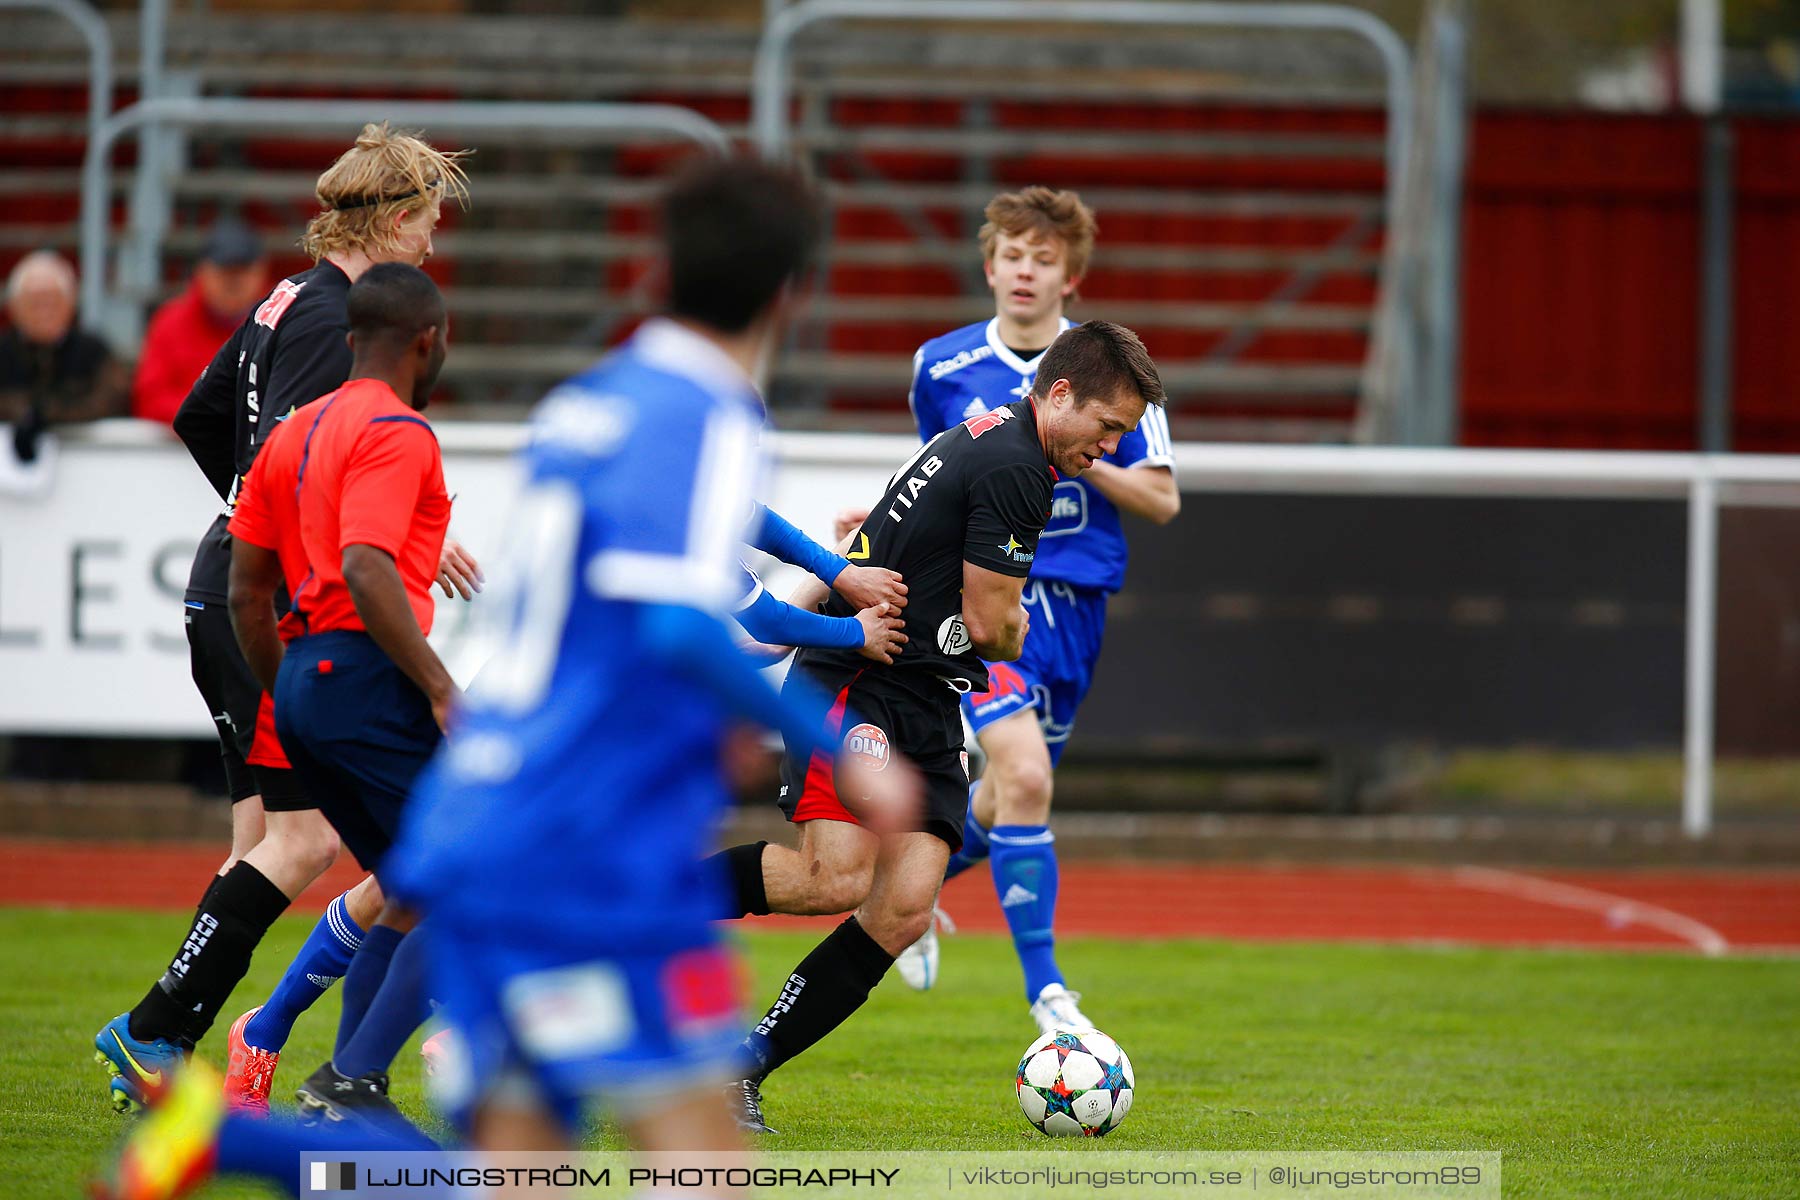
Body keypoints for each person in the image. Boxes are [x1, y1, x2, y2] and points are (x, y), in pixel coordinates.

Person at [92, 123, 475, 1117]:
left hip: (235, 574)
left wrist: (253, 510)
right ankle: (163, 1033)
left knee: (267, 841)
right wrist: (361, 533)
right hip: (274, 598)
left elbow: (201, 418)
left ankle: (174, 1047)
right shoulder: (338, 317)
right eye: (429, 219)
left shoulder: (283, 298)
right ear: (394, 217)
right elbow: (322, 453)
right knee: (309, 847)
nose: (433, 242)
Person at [713, 319, 1165, 1134]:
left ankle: (740, 1070)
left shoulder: (989, 435)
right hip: (864, 682)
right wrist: (1013, 628)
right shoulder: (1018, 466)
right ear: (1060, 395)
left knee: (904, 907)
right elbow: (994, 626)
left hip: (923, 693)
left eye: (1125, 436)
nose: (1111, 448)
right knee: (835, 879)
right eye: (1108, 428)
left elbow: (896, 555)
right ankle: (635, 894)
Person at [898, 187, 1180, 1029]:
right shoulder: (941, 366)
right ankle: (1049, 996)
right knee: (1023, 773)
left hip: (1078, 605)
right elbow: (941, 468)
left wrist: (1080, 454)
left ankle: (903, 895)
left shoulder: (1108, 379)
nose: (1026, 272)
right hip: (989, 594)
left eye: (1044, 259)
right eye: (1012, 256)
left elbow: (1163, 501)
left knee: (1003, 801)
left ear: (1072, 278)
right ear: (990, 267)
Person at [132, 221, 270, 424]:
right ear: (202, 272)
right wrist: (215, 417)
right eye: (223, 271)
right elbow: (150, 399)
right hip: (183, 449)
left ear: (261, 272)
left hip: (262, 447)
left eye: (242, 270)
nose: (233, 282)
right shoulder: (171, 322)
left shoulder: (283, 321)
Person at [1, 249, 129, 462]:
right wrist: (23, 415)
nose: (44, 311)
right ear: (13, 306)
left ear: (71, 303)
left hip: (89, 468)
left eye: (52, 300)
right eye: (34, 301)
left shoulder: (94, 352)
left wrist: (46, 415)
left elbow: (113, 401)